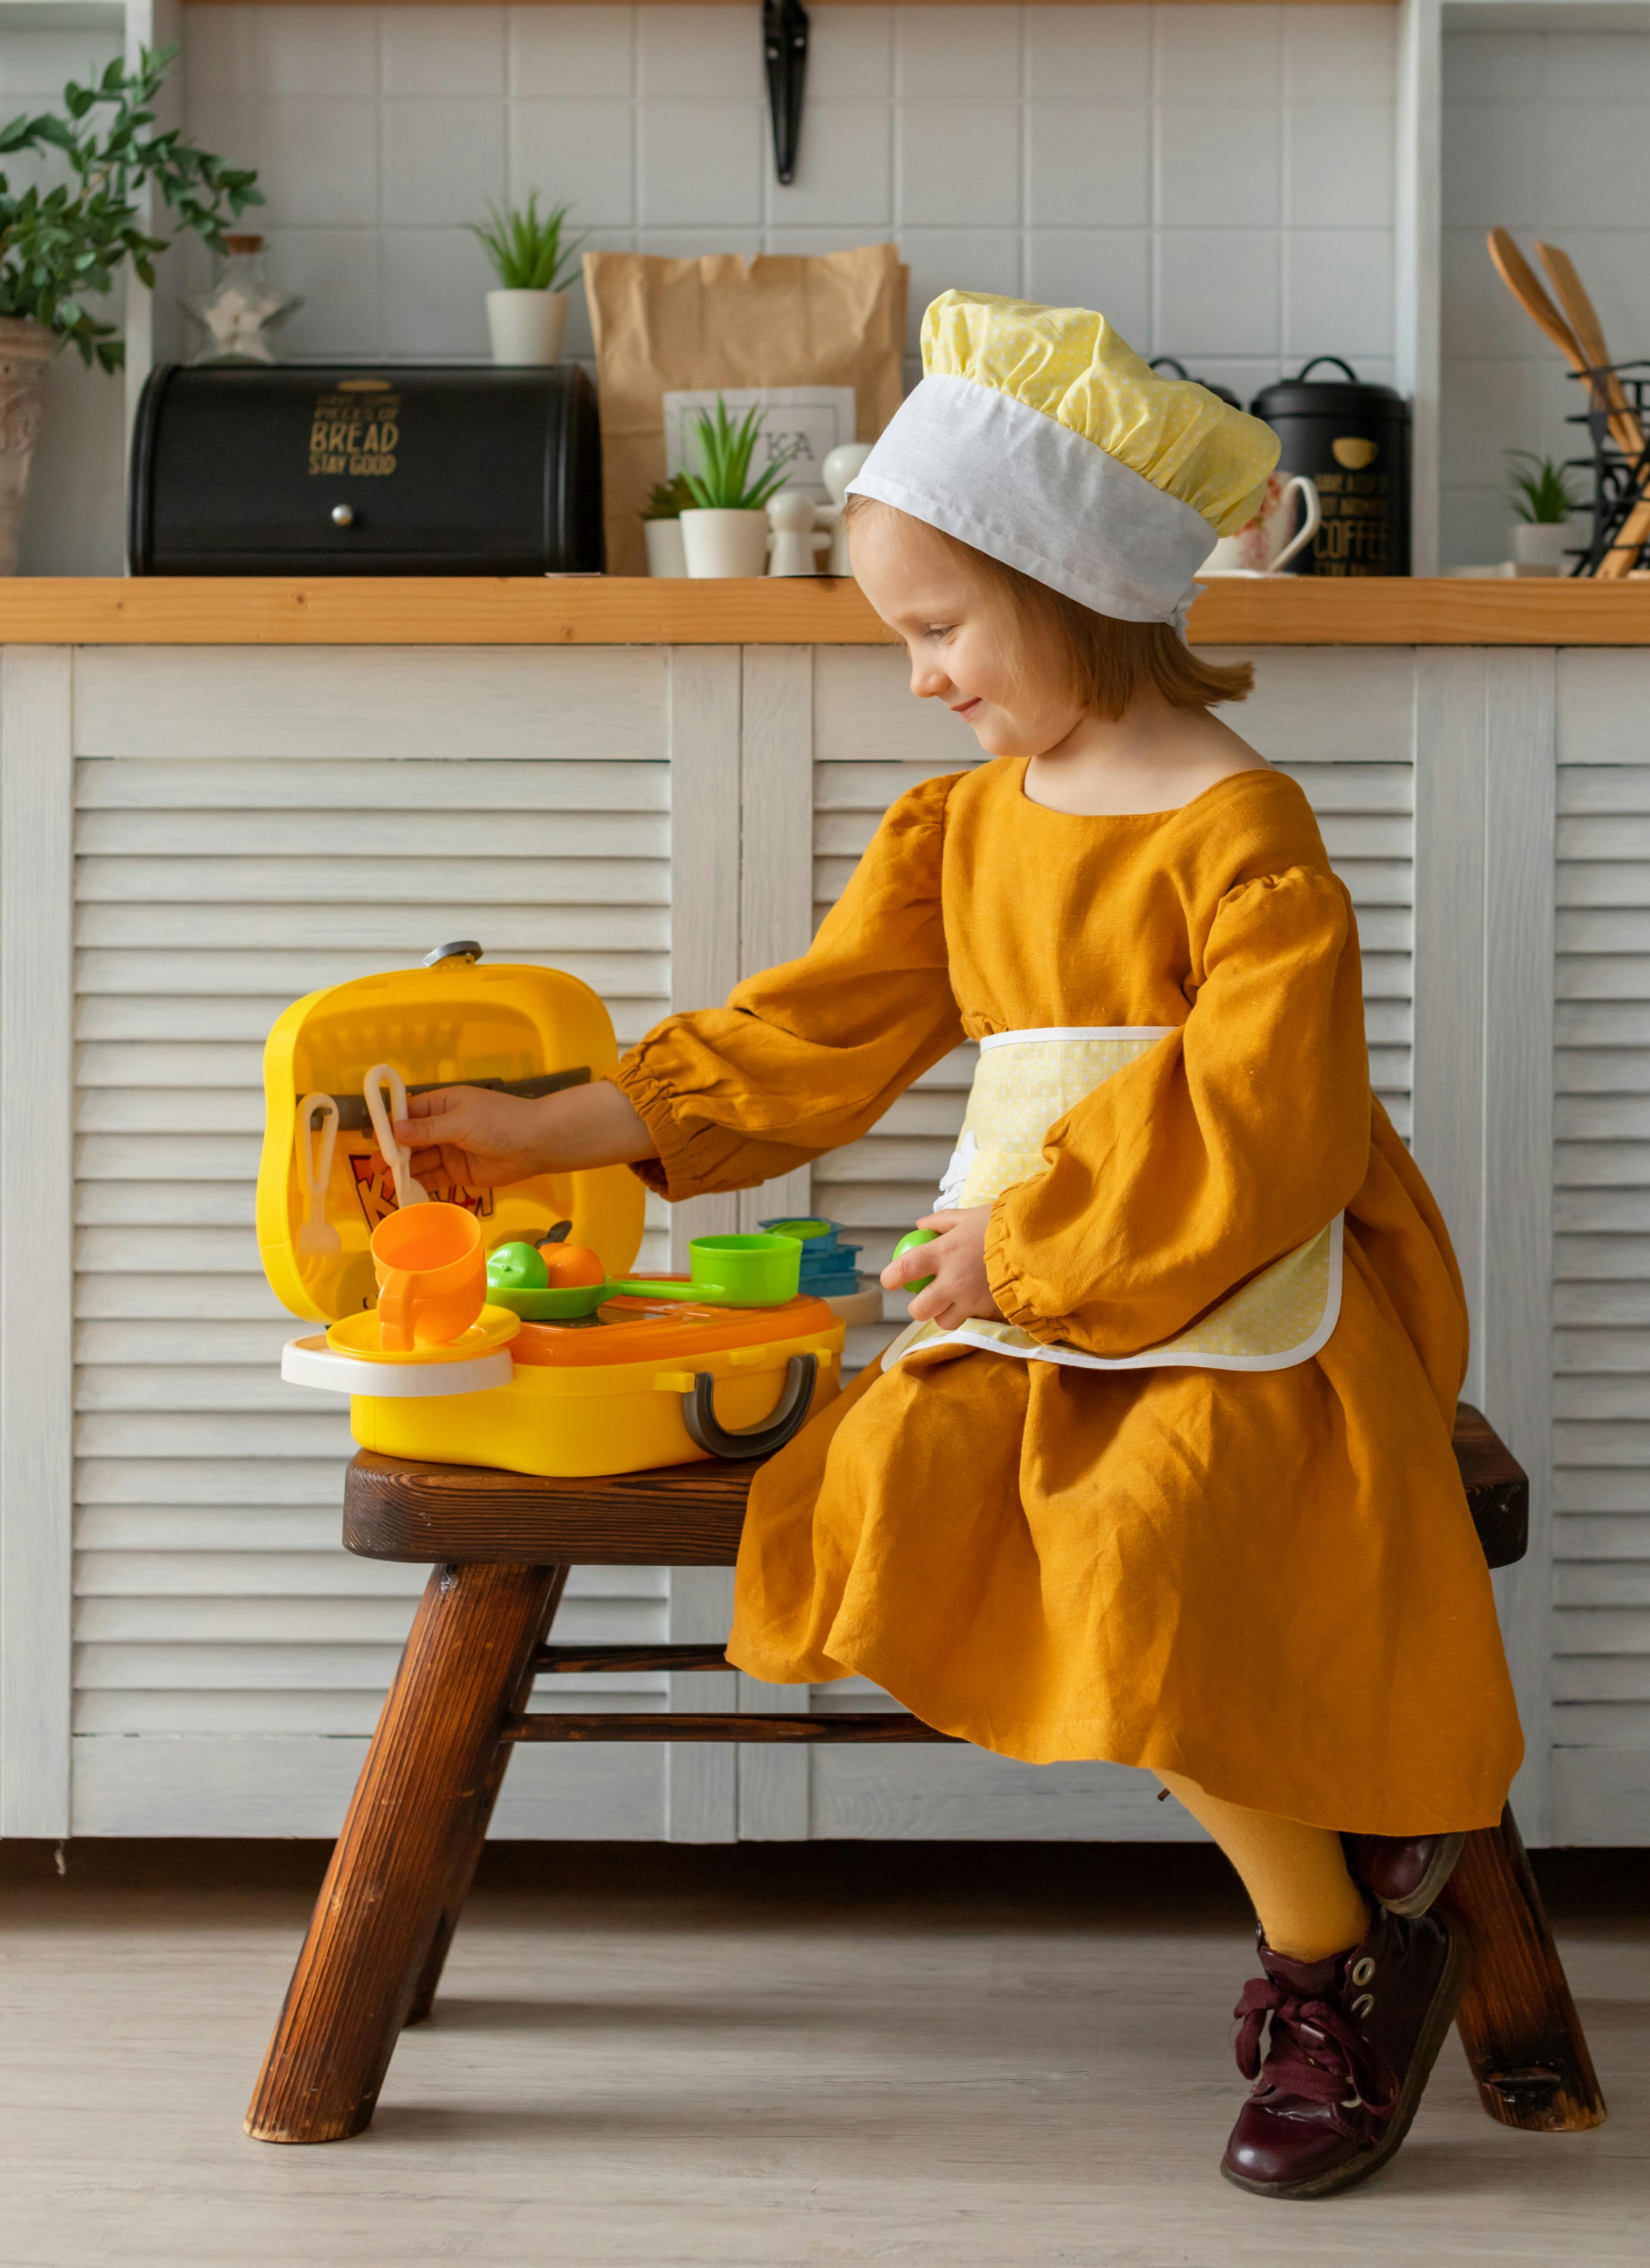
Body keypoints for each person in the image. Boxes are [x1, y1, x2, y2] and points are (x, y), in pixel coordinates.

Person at [396, 292, 1523, 2202]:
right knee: (906, 1474)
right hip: (1012, 1298)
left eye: (937, 630)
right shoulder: (961, 833)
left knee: (1149, 1524)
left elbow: (1271, 1123)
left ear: (1070, 586)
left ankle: (1333, 1951)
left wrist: (1042, 1238)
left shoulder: (1245, 841)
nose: (917, 678)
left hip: (1240, 1286)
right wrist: (541, 1126)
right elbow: (800, 1040)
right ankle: (1359, 1875)